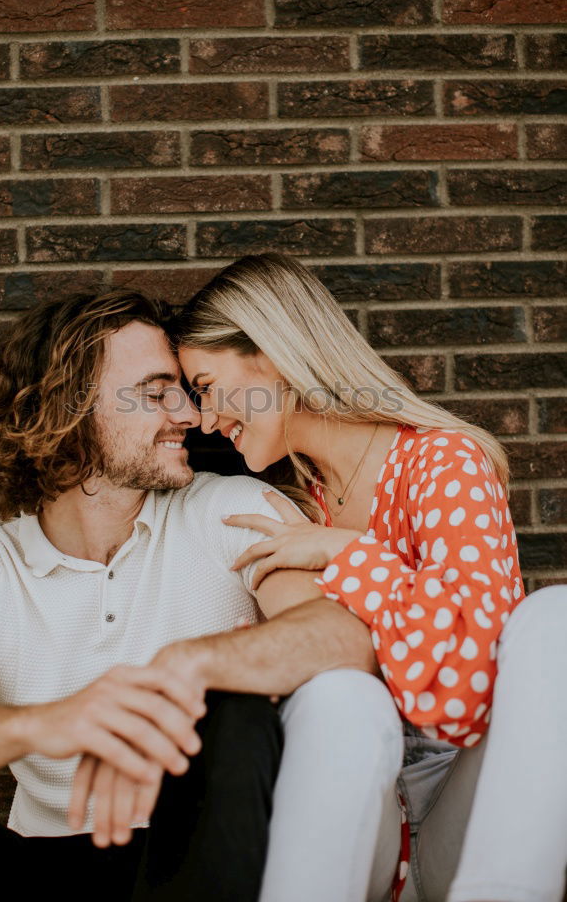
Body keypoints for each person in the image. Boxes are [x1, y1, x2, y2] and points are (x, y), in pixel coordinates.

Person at [0, 288, 383, 899]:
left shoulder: (228, 511)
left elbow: (344, 635)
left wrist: (190, 666)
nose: (190, 414)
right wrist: (50, 725)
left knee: (234, 709)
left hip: (196, 855)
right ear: (66, 411)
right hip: (43, 866)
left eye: (184, 390)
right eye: (157, 394)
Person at [174, 252, 567, 902]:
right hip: (363, 821)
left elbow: (467, 699)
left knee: (556, 621)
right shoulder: (292, 504)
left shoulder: (442, 465)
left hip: (464, 812)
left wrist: (346, 556)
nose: (208, 419)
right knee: (338, 703)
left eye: (208, 387)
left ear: (270, 355)